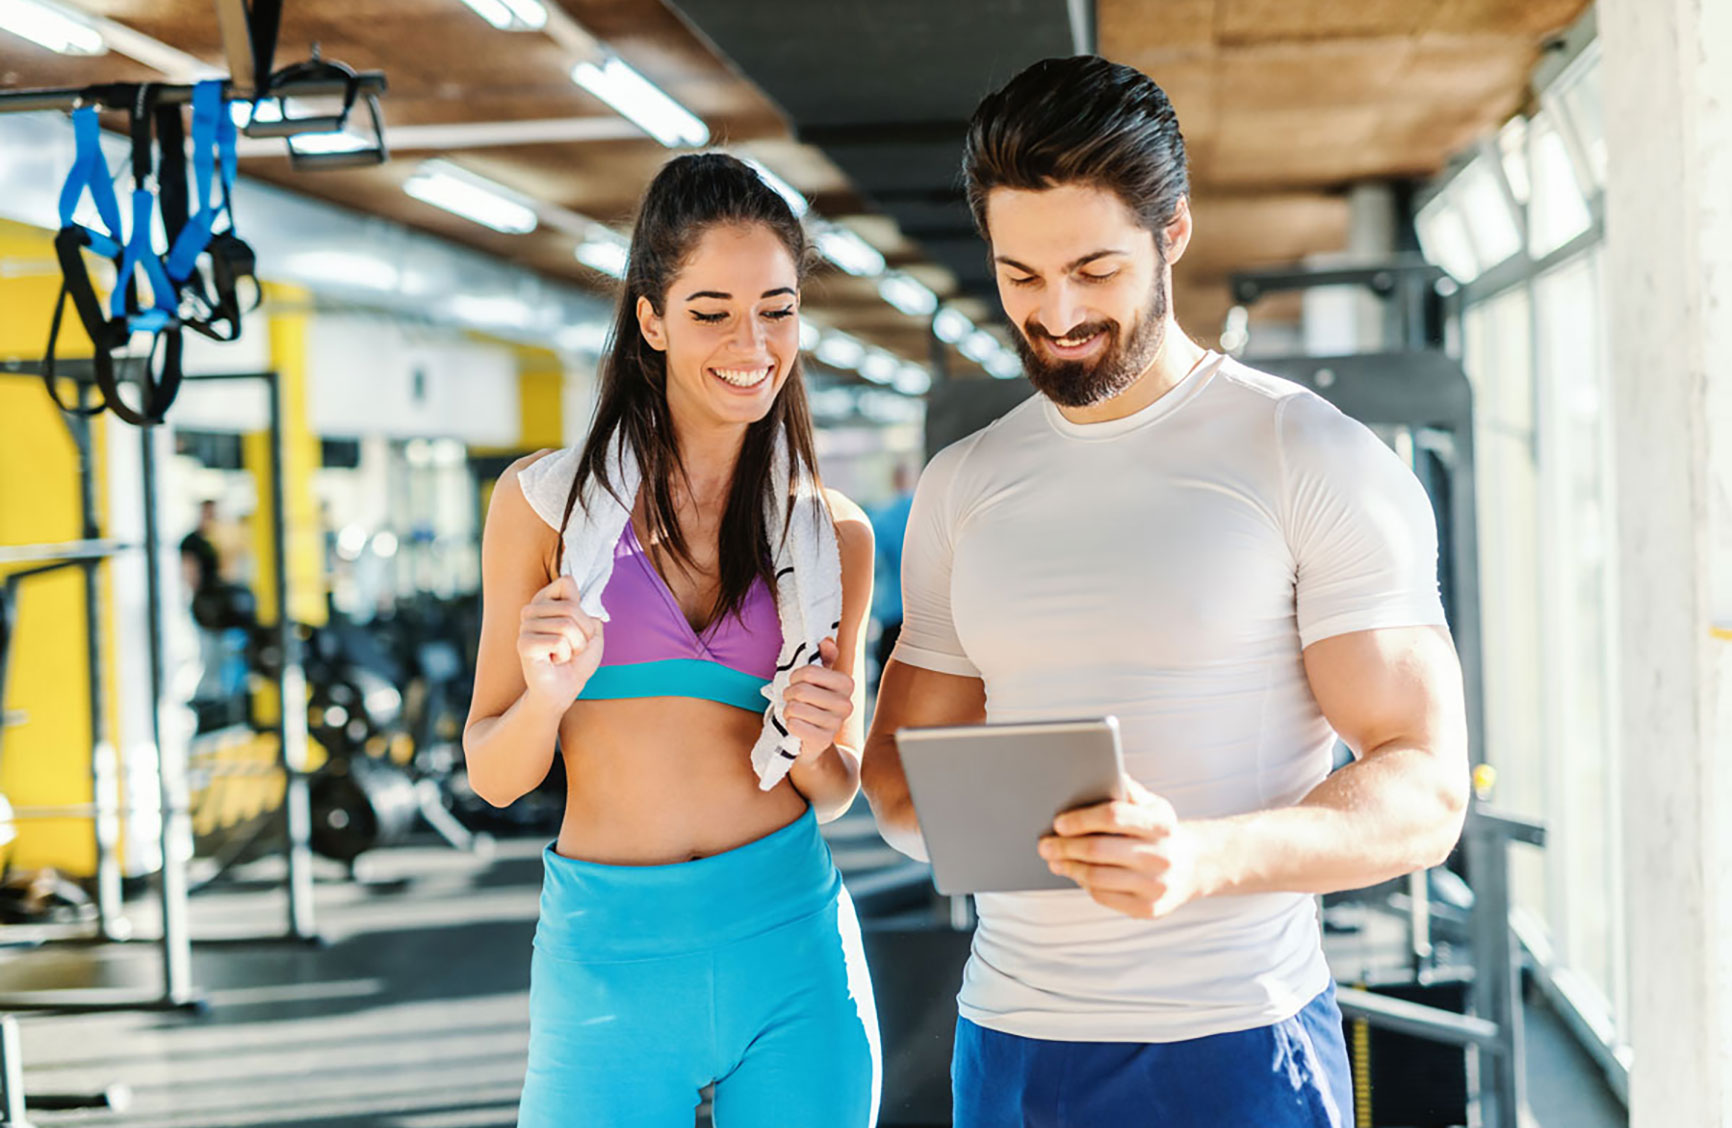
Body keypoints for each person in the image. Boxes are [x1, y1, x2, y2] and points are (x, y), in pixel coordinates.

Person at [861, 56, 1469, 1128]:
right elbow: (905, 790)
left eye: (1094, 270)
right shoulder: (965, 485)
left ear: (1171, 231)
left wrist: (1201, 857)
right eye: (1021, 276)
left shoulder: (1305, 454)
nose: (1055, 314)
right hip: (1008, 1041)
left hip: (1233, 1040)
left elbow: (1423, 787)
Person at [463, 153, 880, 1128]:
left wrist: (819, 742)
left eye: (777, 309)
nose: (752, 341)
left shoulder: (829, 533)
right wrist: (549, 693)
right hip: (609, 956)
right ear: (650, 319)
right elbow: (493, 774)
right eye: (711, 311)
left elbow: (838, 784)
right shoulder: (540, 510)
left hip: (791, 940)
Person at [868, 461, 916, 674]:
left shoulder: (885, 517)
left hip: (893, 612)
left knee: (889, 681)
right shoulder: (928, 511)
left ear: (893, 481)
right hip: (927, 614)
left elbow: (871, 560)